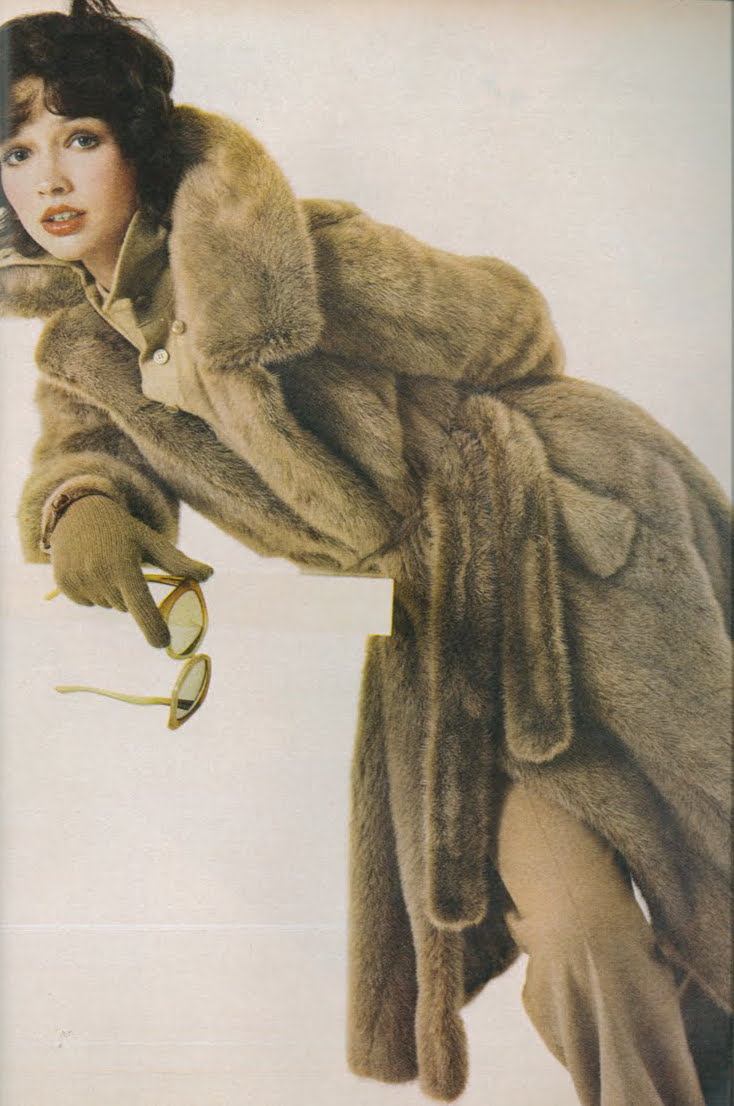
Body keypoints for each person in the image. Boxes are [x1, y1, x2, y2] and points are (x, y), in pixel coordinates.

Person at [0, 2, 730, 1103]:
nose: (50, 176)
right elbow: (82, 452)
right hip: (452, 640)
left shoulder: (275, 247)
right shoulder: (83, 350)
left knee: (711, 872)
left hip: (588, 559)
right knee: (581, 931)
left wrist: (287, 297)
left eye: (81, 136)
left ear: (137, 144)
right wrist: (83, 508)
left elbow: (516, 327)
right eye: (17, 151)